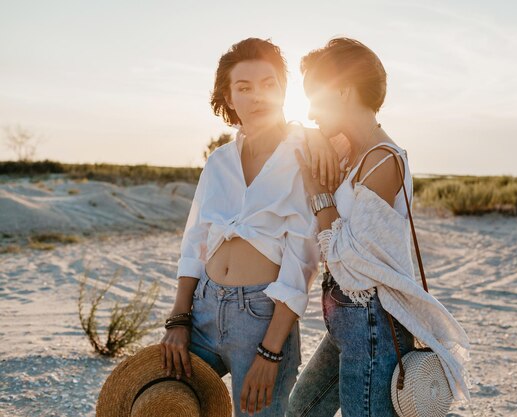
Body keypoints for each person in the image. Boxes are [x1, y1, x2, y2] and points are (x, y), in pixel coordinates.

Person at [287, 37, 472, 417]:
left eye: (315, 97)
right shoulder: (350, 153)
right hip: (346, 320)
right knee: (301, 410)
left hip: (371, 322)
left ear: (342, 90)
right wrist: (310, 135)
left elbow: (348, 259)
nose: (310, 111)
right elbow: (283, 136)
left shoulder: (384, 161)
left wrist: (320, 193)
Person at [159, 37, 338, 416]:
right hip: (203, 310)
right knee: (164, 401)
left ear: (283, 92)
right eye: (244, 87)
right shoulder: (219, 161)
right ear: (228, 97)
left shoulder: (304, 157)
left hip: (261, 320)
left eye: (268, 84)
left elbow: (300, 264)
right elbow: (195, 241)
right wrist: (178, 319)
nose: (257, 96)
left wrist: (271, 351)